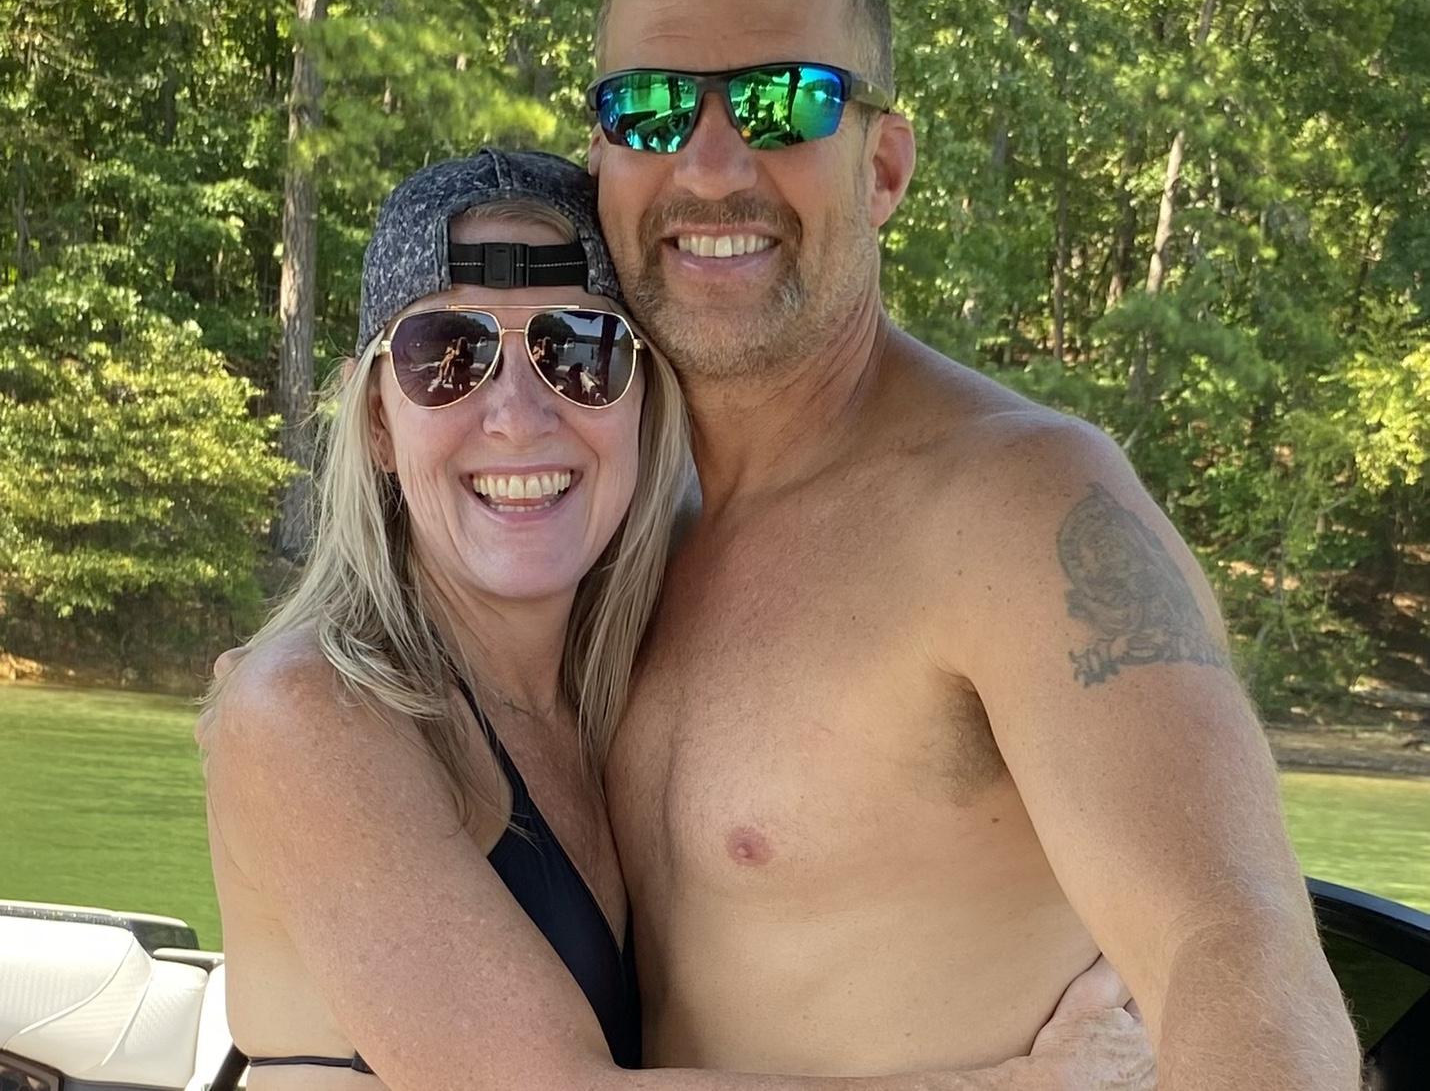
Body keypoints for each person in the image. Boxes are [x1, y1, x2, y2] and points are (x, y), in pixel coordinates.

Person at [585, 0, 1362, 1089]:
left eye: (786, 100)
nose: (710, 163)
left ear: (883, 165)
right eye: (647, 107)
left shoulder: (1021, 505)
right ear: (599, 161)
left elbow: (1231, 945)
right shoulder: (593, 518)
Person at [201, 148, 1153, 1089]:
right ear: (378, 421)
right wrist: (1032, 1085)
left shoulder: (625, 697)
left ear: (640, 400)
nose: (517, 416)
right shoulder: (305, 712)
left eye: (579, 353)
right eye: (447, 358)